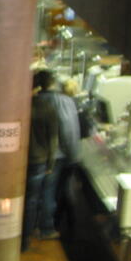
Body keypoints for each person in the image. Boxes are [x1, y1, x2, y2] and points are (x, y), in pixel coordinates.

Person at [22, 69, 60, 251]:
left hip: (19, 159)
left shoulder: (20, 106)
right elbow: (53, 138)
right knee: (32, 200)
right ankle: (25, 238)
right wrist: (51, 163)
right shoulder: (48, 109)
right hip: (39, 160)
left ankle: (17, 235)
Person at [50, 76, 83, 230]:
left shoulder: (57, 101)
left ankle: (57, 223)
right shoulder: (66, 103)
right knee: (60, 190)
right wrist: (73, 155)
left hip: (58, 155)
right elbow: (69, 131)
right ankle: (61, 224)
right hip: (63, 155)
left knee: (56, 190)